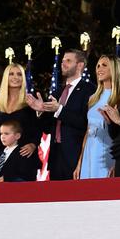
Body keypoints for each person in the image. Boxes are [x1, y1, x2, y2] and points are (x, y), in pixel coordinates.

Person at [26, 49, 95, 181]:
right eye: (63, 61)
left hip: (76, 156)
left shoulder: (89, 90)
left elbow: (85, 123)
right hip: (56, 156)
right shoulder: (58, 91)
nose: (63, 64)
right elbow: (47, 128)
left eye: (68, 61)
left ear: (80, 65)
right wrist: (41, 111)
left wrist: (60, 110)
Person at [73, 55, 120, 179]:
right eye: (98, 66)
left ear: (114, 69)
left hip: (107, 154)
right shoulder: (93, 98)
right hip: (89, 153)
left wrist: (118, 163)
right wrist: (80, 162)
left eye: (104, 65)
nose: (99, 69)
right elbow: (88, 131)